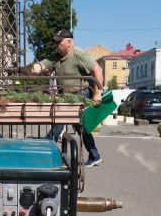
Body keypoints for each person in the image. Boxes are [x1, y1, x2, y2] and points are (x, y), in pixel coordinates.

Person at [22, 29, 104, 167]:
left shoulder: (79, 54)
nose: (57, 45)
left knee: (60, 118)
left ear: (69, 42)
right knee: (81, 127)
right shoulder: (56, 57)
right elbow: (41, 66)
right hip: (65, 95)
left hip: (80, 93)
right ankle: (94, 155)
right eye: (56, 42)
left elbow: (97, 70)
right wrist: (26, 69)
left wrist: (97, 93)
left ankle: (46, 146)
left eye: (59, 42)